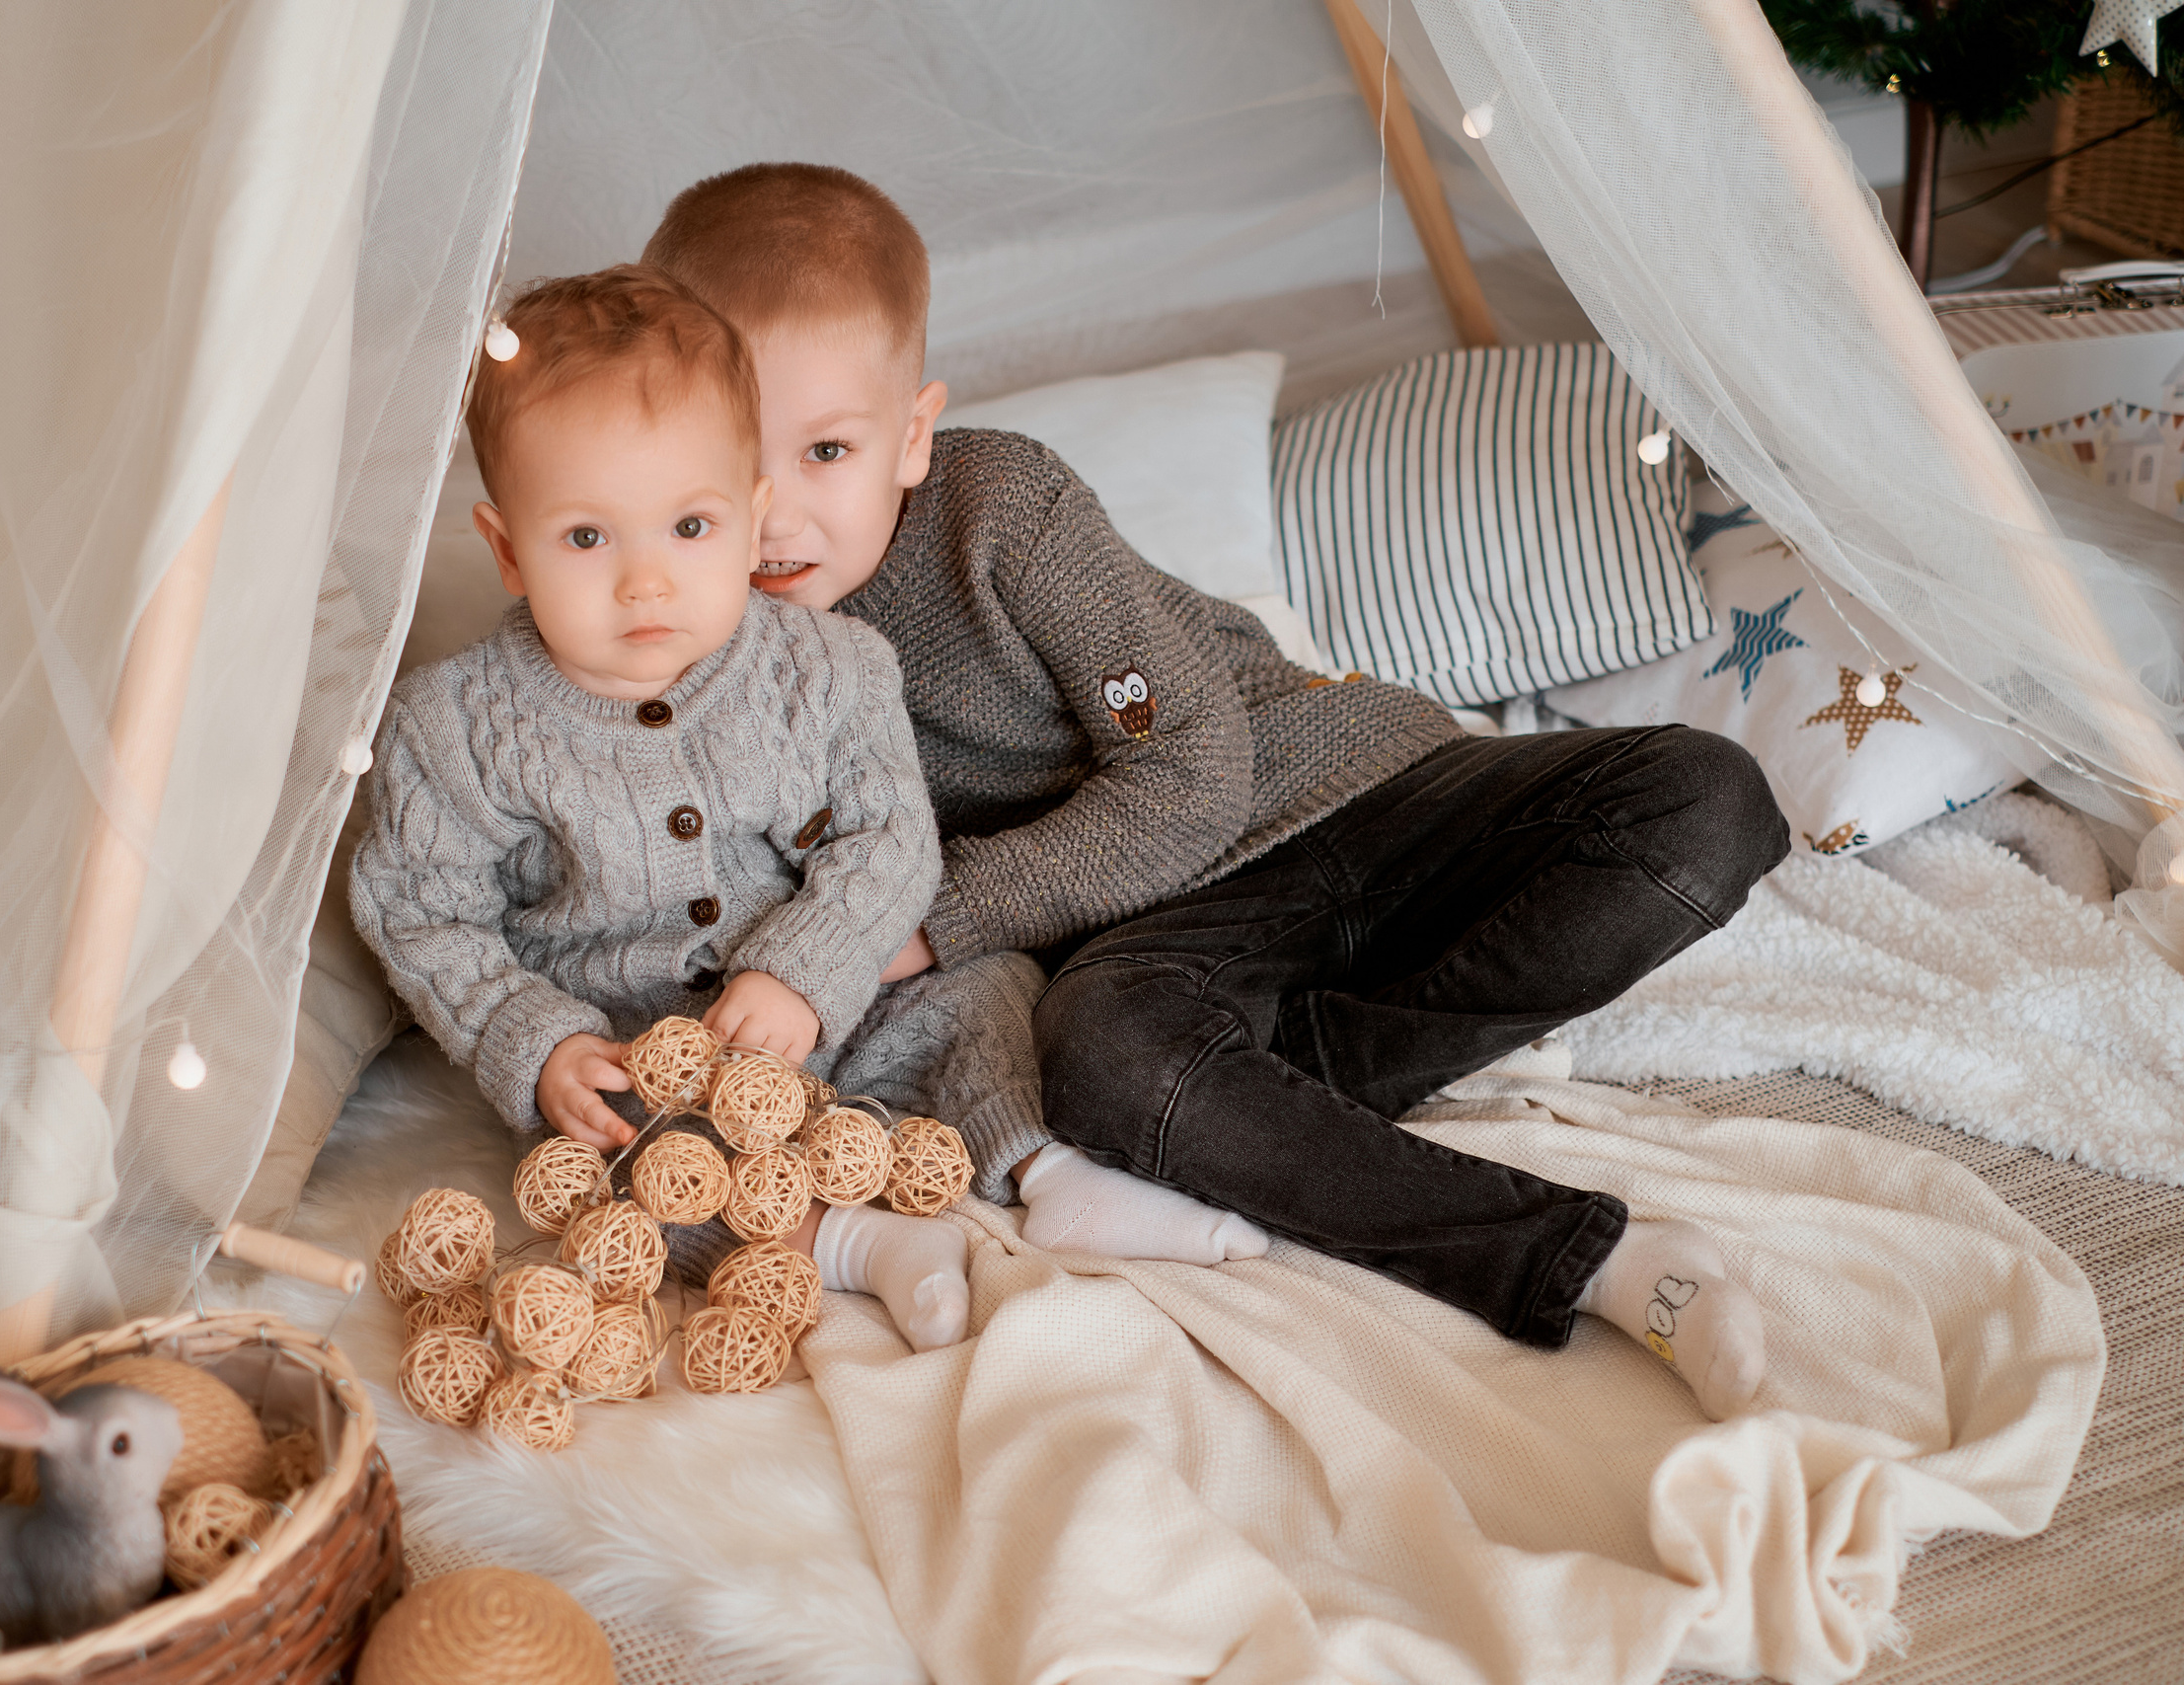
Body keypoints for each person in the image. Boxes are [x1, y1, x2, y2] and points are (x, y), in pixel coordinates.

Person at [643, 164, 1787, 1417]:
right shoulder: (687, 645)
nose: (774, 517)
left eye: (826, 451)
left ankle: (1244, 1120)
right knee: (1107, 1056)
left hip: (1349, 785)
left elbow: (1183, 759)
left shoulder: (997, 512)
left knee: (1706, 798)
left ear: (911, 433)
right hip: (1171, 946)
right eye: (732, 464)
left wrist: (930, 919)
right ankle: (1597, 1258)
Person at [348, 266, 1045, 1352]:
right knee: (617, 1176)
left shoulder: (828, 668)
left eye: (689, 526)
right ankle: (854, 1244)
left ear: (752, 516)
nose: (644, 583)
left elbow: (891, 837)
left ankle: (1050, 1170)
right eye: (586, 538)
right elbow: (417, 910)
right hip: (639, 1051)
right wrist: (536, 1045)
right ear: (504, 548)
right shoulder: (455, 727)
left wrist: (804, 972)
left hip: (832, 1006)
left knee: (992, 993)